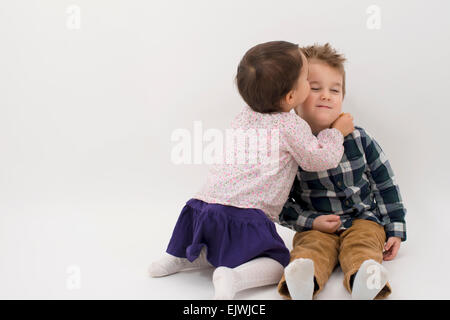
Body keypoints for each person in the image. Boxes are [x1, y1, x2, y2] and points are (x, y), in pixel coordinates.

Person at [149, 41, 354, 299]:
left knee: (211, 241)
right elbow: (319, 159)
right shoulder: (292, 126)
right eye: (307, 79)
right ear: (291, 97)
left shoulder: (245, 114)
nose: (309, 81)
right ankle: (234, 278)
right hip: (245, 216)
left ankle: (176, 257)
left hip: (203, 207)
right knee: (278, 261)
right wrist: (336, 132)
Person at [277, 43, 407, 300]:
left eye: (334, 90)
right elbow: (278, 201)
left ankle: (364, 277)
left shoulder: (359, 138)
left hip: (362, 220)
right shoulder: (290, 149)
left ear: (342, 98)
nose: (326, 95)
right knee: (311, 248)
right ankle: (303, 281)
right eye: (315, 88)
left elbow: (385, 183)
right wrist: (310, 221)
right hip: (317, 226)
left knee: (363, 243)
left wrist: (394, 228)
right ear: (294, 97)